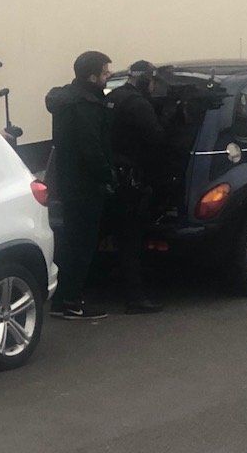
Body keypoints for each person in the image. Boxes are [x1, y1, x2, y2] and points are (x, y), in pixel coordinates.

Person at [45, 51, 115, 320]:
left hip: (68, 181)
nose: (108, 76)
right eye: (105, 72)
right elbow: (91, 147)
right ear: (92, 76)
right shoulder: (86, 105)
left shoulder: (66, 100)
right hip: (86, 185)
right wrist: (108, 176)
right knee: (82, 245)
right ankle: (72, 301)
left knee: (69, 243)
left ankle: (63, 299)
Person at [105, 60, 167, 314]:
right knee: (131, 238)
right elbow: (158, 139)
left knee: (115, 235)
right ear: (145, 80)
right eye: (152, 82)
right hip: (130, 178)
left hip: (110, 175)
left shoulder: (113, 97)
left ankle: (110, 286)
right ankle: (135, 297)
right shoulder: (139, 105)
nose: (154, 87)